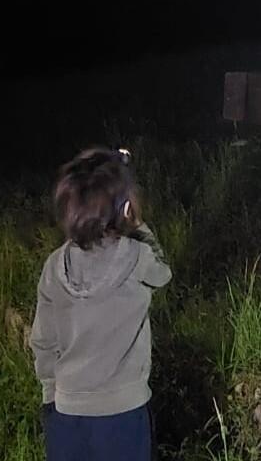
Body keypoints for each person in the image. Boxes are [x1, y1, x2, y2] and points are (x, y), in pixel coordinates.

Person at [30, 148, 172, 461]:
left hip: (66, 416)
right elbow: (163, 273)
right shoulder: (137, 258)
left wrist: (51, 393)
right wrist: (138, 226)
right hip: (122, 415)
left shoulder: (54, 266)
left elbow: (43, 340)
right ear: (124, 210)